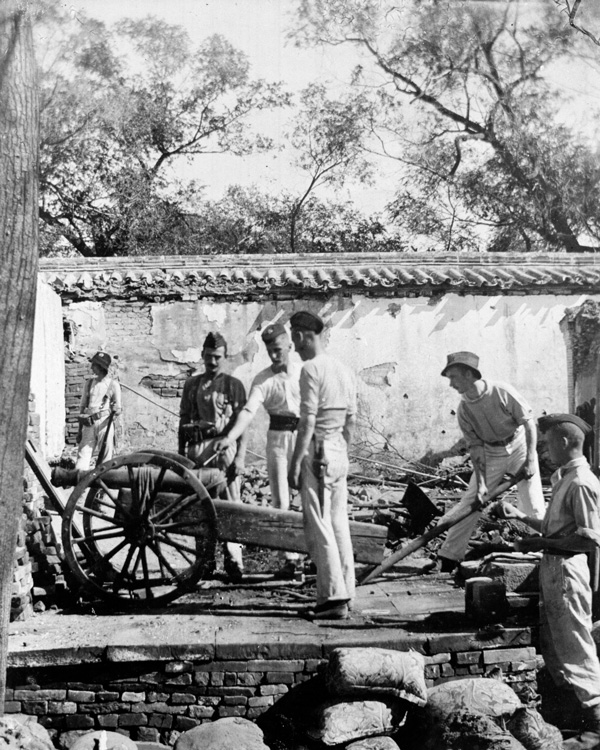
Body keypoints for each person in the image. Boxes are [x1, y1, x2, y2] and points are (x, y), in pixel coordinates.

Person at [497, 414, 600, 750]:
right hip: (554, 568)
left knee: (576, 646)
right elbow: (554, 527)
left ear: (567, 442)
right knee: (556, 649)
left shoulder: (582, 482)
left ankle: (596, 726)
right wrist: (521, 517)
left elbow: (589, 539)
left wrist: (540, 544)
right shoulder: (564, 479)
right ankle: (572, 720)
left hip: (568, 570)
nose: (543, 448)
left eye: (548, 442)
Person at [437, 351, 545, 570]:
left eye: (454, 377)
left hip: (518, 446)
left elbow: (529, 422)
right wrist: (482, 485)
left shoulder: (501, 391)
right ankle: (449, 556)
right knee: (471, 503)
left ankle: (541, 551)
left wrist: (531, 459)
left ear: (469, 375)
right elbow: (475, 447)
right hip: (490, 453)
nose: (451, 384)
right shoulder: (464, 409)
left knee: (532, 499)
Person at [214, 322, 302, 578]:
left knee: (310, 498)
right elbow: (249, 411)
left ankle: (318, 559)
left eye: (278, 349)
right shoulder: (262, 379)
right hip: (277, 440)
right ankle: (290, 560)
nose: (275, 355)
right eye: (270, 351)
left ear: (289, 345)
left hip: (305, 437)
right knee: (280, 501)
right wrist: (230, 436)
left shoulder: (303, 372)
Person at [288, 310, 357, 620]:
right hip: (339, 451)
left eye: (294, 338)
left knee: (319, 524)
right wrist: (342, 449)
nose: (294, 345)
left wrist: (296, 461)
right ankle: (347, 590)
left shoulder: (310, 370)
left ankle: (332, 598)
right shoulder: (343, 369)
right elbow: (351, 421)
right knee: (339, 523)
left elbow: (308, 420)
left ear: (304, 335)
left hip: (319, 452)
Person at [178, 331, 247, 581]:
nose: (213, 362)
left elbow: (242, 425)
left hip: (225, 449)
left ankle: (234, 560)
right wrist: (180, 457)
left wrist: (240, 458)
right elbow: (183, 420)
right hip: (198, 449)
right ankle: (204, 560)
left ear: (225, 357)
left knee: (231, 503)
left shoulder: (234, 385)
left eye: (217, 357)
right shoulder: (192, 384)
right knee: (201, 505)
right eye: (208, 357)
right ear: (202, 356)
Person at [75, 351, 122, 470]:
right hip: (89, 423)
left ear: (101, 367)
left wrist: (116, 410)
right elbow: (82, 407)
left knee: (106, 456)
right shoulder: (89, 383)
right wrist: (80, 430)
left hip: (105, 423)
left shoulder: (113, 385)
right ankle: (80, 482)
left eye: (94, 365)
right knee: (83, 453)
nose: (91, 367)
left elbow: (119, 408)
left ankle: (105, 483)